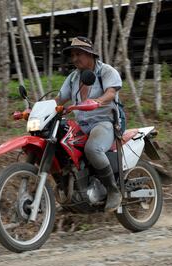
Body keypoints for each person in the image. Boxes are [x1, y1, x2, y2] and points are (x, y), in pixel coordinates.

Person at [55, 36, 122, 212]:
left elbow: (111, 93)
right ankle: (73, 192)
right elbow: (59, 99)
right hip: (83, 125)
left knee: (92, 148)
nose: (75, 58)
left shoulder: (106, 71)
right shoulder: (72, 78)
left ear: (90, 54)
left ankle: (113, 190)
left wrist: (98, 101)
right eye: (72, 55)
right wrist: (40, 109)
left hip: (106, 121)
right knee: (61, 147)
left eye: (79, 54)